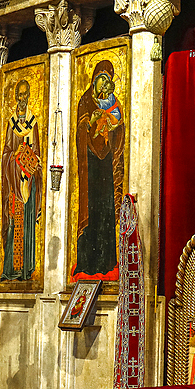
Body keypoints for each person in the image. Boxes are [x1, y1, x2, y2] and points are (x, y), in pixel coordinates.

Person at [73, 60, 125, 280]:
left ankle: (106, 262)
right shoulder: (85, 101)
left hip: (106, 164)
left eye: (107, 81)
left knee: (105, 209)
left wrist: (113, 126)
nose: (103, 86)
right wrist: (90, 122)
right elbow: (80, 129)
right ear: (94, 81)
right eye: (100, 81)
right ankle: (87, 262)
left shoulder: (114, 103)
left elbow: (119, 128)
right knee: (90, 208)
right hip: (89, 163)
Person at [0, 79, 42, 281]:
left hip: (28, 183)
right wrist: (14, 156)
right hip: (14, 182)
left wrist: (31, 161)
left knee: (27, 225)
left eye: (25, 94)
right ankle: (11, 269)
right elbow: (5, 153)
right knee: (13, 225)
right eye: (19, 94)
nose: (22, 98)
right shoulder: (11, 124)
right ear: (16, 96)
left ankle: (26, 268)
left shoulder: (33, 124)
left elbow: (38, 154)